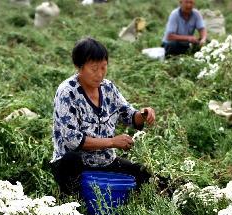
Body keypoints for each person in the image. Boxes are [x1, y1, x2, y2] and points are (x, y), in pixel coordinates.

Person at [50, 37, 158, 199]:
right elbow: (73, 141)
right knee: (71, 160)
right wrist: (113, 142)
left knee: (145, 176)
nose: (100, 74)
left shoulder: (108, 88)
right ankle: (71, 201)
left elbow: (129, 116)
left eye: (103, 68)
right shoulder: (67, 93)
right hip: (75, 165)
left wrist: (144, 114)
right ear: (79, 67)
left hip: (104, 162)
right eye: (94, 69)